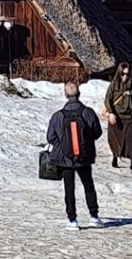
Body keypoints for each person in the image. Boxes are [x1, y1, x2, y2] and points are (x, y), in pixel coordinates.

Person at [47, 81, 103, 230]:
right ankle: (94, 216)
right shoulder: (88, 112)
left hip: (65, 159)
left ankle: (72, 219)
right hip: (84, 157)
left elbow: (50, 137)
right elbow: (97, 132)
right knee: (88, 185)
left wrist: (64, 144)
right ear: (79, 93)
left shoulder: (58, 116)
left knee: (69, 189)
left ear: (65, 95)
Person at [104, 62, 132, 175]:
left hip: (127, 116)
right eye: (122, 74)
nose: (124, 76)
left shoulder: (131, 85)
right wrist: (111, 113)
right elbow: (107, 99)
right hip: (116, 116)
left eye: (127, 74)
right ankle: (115, 156)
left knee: (129, 139)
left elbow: (131, 100)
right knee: (115, 138)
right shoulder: (113, 85)